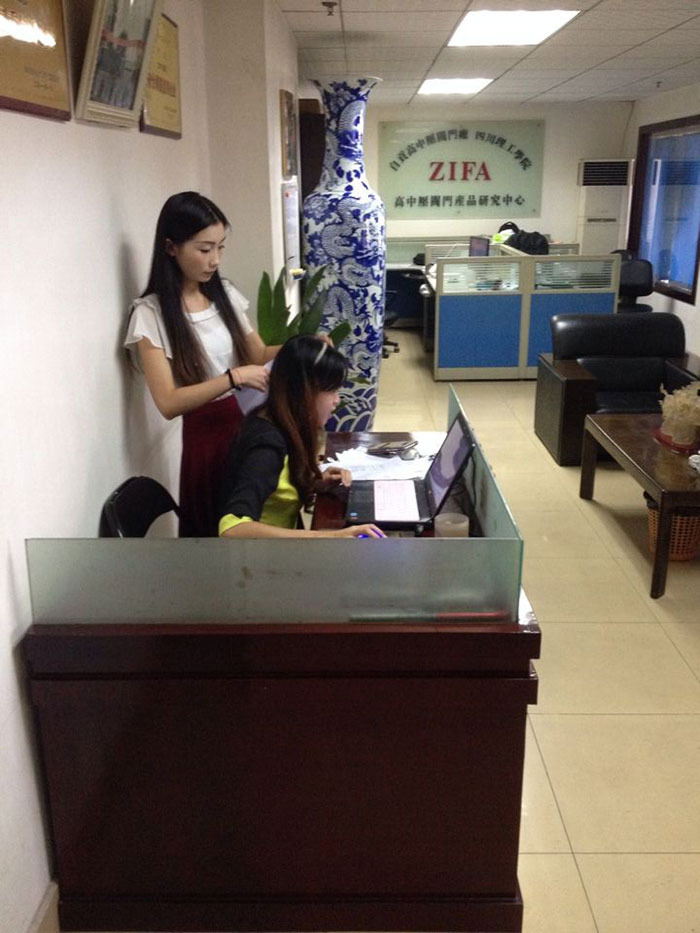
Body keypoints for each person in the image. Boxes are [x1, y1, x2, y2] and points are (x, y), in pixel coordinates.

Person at [125, 191, 278, 537]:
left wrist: (305, 345)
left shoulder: (223, 293)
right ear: (170, 247)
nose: (215, 260)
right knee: (216, 533)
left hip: (242, 423)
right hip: (204, 439)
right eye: (205, 249)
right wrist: (232, 378)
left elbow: (257, 355)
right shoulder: (150, 314)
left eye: (220, 248)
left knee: (253, 521)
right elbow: (168, 403)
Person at [219, 335, 384, 539]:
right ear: (305, 392)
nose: (336, 400)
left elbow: (277, 484)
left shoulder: (283, 423)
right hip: (262, 555)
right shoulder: (266, 446)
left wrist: (315, 483)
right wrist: (331, 537)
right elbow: (232, 528)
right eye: (331, 391)